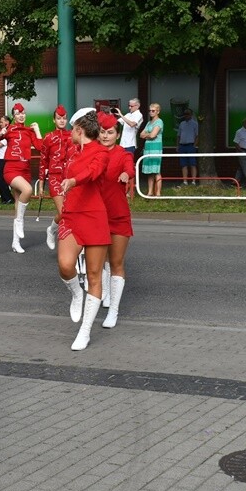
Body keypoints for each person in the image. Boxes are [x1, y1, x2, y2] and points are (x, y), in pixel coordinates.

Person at [58, 109, 112, 351]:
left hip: (94, 216)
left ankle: (85, 331)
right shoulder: (71, 151)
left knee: (94, 275)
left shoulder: (101, 152)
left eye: (72, 129)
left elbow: (93, 172)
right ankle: (76, 293)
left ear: (79, 130)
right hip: (72, 215)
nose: (70, 132)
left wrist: (73, 181)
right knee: (65, 265)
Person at [0, 102, 42, 253]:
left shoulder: (29, 131)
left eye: (23, 113)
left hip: (25, 170)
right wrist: (1, 133)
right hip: (11, 169)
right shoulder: (9, 129)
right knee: (28, 190)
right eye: (18, 113)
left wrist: (37, 131)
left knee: (17, 205)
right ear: (14, 116)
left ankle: (15, 242)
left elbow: (41, 148)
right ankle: (20, 222)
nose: (21, 116)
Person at [96, 118, 135, 329]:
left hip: (118, 215)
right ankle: (105, 293)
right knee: (100, 260)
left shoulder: (123, 154)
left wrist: (126, 174)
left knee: (116, 261)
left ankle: (114, 311)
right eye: (102, 132)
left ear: (117, 135)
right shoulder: (93, 153)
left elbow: (130, 169)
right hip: (96, 216)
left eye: (110, 132)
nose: (105, 136)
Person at [39, 105, 75, 250]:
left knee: (70, 211)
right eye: (59, 118)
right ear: (54, 120)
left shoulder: (72, 135)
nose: (62, 121)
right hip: (54, 178)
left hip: (69, 178)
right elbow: (43, 161)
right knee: (63, 212)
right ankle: (65, 245)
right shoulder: (48, 137)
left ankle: (52, 229)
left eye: (64, 118)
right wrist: (41, 184)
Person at [139, 103, 164, 197]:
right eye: (150, 110)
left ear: (158, 111)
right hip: (148, 148)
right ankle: (150, 192)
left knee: (156, 170)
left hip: (156, 148)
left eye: (153, 110)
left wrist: (147, 135)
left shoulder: (159, 121)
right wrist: (149, 135)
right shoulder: (149, 123)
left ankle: (158, 193)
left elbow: (153, 135)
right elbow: (141, 134)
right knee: (150, 171)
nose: (151, 112)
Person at [177, 108, 199, 185]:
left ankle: (193, 181)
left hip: (190, 145)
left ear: (191, 115)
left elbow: (197, 136)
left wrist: (194, 145)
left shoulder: (195, 124)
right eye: (185, 114)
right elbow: (178, 136)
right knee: (183, 164)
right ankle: (185, 181)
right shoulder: (182, 124)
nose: (186, 115)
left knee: (193, 164)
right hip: (182, 145)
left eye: (188, 114)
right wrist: (178, 146)